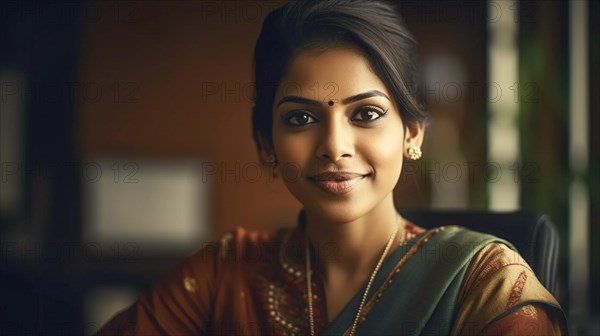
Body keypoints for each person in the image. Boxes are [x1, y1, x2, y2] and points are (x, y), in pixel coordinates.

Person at [98, 0, 567, 335]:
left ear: (412, 134)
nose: (334, 146)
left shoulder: (483, 282)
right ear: (266, 142)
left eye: (366, 114)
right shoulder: (226, 274)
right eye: (301, 119)